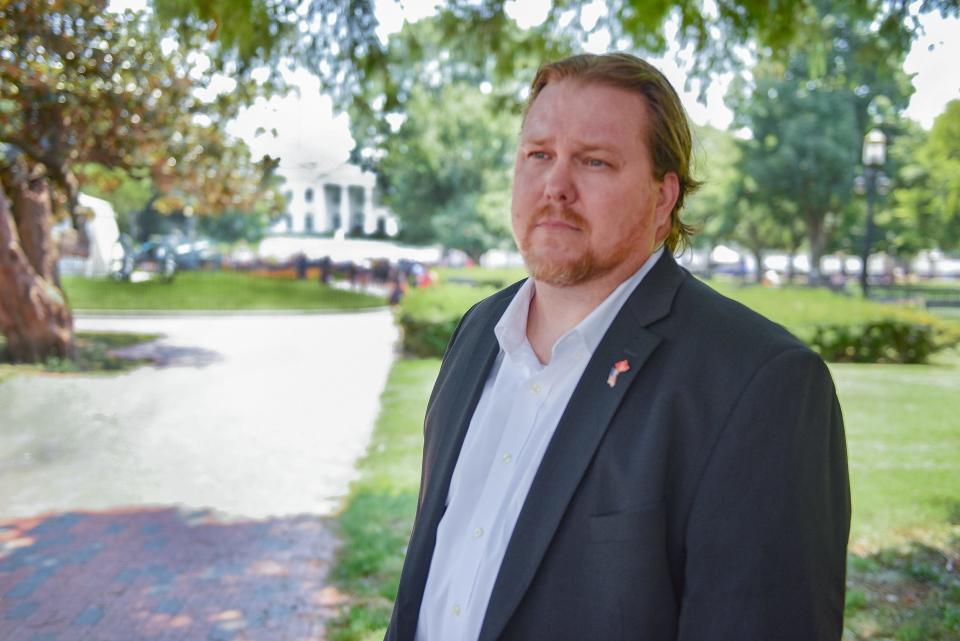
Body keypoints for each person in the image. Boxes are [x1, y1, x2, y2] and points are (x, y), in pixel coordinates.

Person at [385, 53, 850, 641]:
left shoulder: (762, 384)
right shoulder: (479, 332)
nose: (555, 185)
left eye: (595, 161)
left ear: (663, 199)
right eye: (538, 155)